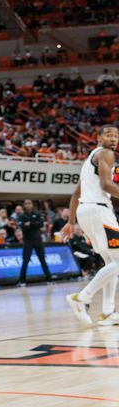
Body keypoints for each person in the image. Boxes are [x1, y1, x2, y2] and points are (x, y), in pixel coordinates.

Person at [62, 125, 119, 326]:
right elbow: (106, 186)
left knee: (112, 262)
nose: (113, 139)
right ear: (98, 138)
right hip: (98, 210)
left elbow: (76, 194)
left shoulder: (89, 160)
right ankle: (82, 297)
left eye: (116, 136)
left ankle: (107, 312)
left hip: (86, 211)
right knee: (118, 261)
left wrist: (70, 222)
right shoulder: (106, 153)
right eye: (108, 135)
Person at [16, 199, 53, 285]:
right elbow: (22, 226)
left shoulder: (37, 214)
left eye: (29, 203)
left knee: (42, 260)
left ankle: (49, 279)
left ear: (32, 205)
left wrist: (30, 224)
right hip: (27, 241)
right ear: (24, 206)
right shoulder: (21, 215)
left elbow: (40, 224)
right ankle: (22, 281)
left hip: (38, 240)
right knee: (25, 261)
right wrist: (33, 224)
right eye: (26, 204)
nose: (28, 205)